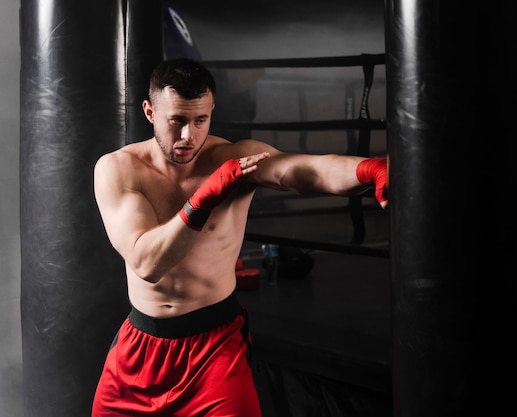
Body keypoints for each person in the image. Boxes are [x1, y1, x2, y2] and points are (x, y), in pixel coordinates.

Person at [91, 58, 388, 417]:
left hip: (214, 351)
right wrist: (203, 200)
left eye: (200, 120)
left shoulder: (236, 158)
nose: (189, 136)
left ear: (212, 110)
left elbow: (304, 170)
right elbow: (146, 263)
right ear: (149, 111)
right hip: (139, 354)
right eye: (177, 121)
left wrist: (369, 169)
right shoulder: (119, 169)